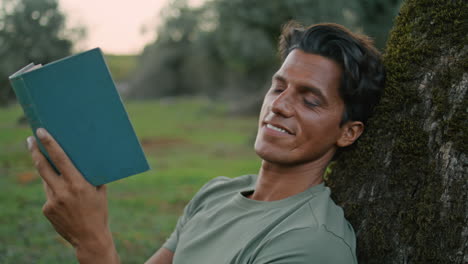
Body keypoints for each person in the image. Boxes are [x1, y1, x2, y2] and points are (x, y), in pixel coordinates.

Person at [26, 22, 385, 264]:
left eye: (310, 99)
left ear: (348, 132)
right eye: (279, 86)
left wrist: (92, 243)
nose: (278, 105)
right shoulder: (215, 194)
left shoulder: (312, 244)